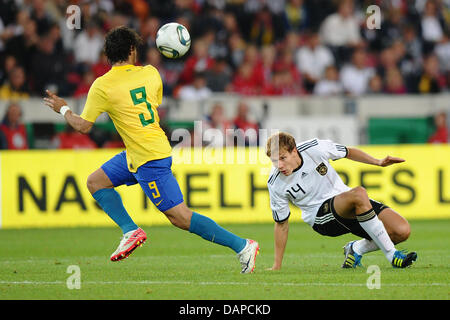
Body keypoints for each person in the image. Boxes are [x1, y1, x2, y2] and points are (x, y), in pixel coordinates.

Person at [43, 26, 259, 274]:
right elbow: (151, 105)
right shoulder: (151, 73)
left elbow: (82, 126)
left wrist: (62, 108)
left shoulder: (102, 85)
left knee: (180, 217)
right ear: (133, 50)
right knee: (95, 182)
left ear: (107, 54)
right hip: (141, 152)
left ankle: (243, 246)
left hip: (148, 157)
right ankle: (130, 230)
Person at [265, 132, 417, 270]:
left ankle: (356, 249)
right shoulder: (275, 183)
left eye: (283, 158)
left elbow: (348, 152)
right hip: (320, 218)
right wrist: (276, 265)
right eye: (274, 161)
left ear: (294, 151)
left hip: (344, 199)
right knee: (359, 193)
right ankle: (392, 255)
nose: (279, 166)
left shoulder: (315, 148)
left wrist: (378, 162)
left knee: (402, 231)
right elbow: (281, 224)